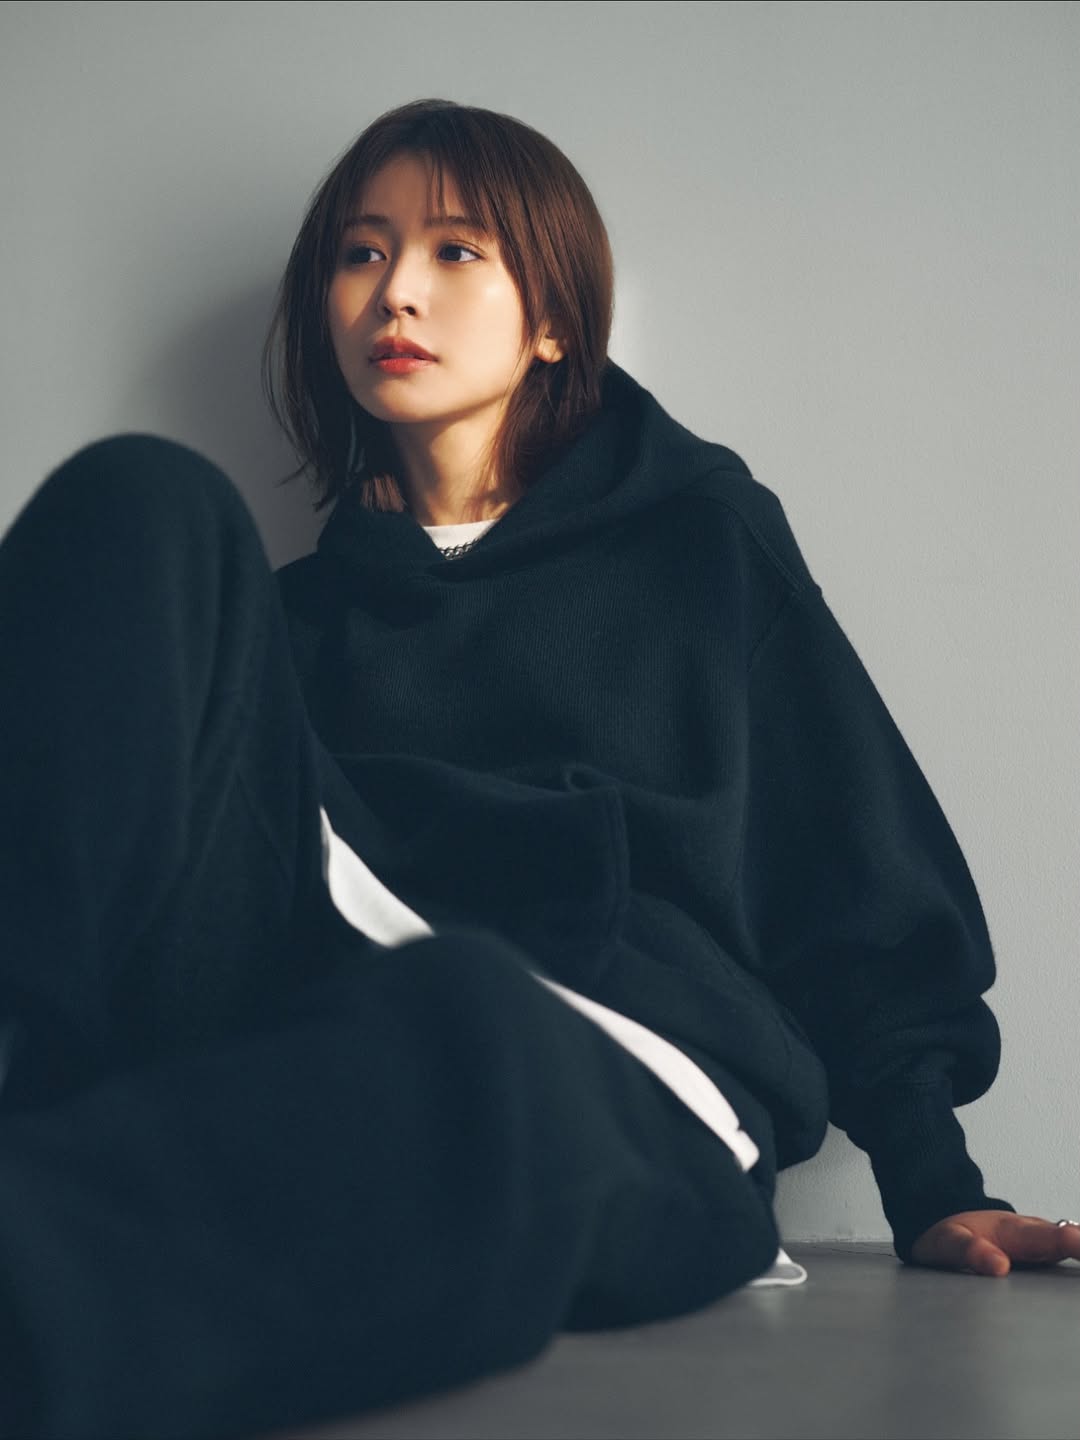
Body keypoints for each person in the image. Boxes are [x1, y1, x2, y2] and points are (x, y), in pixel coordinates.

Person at [1, 97, 1076, 1440]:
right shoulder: (280, 624)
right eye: (361, 252)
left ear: (554, 321)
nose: (395, 289)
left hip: (596, 1047)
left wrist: (934, 1181)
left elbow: (851, 853)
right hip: (301, 1003)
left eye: (456, 251)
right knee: (141, 502)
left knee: (460, 1023)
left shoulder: (701, 545)